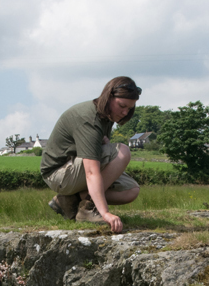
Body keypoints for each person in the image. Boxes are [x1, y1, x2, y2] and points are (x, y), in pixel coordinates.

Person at [40, 76, 142, 234]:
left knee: (131, 190)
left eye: (129, 108)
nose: (125, 112)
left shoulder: (106, 116)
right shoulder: (90, 118)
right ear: (108, 97)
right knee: (123, 151)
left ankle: (68, 200)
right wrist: (105, 213)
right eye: (122, 106)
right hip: (58, 173)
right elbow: (91, 172)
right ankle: (88, 209)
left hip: (74, 170)